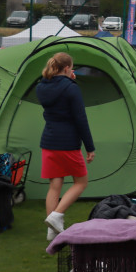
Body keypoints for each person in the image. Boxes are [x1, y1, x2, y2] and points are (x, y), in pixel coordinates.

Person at [36, 52, 95, 242]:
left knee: (55, 186)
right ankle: (56, 216)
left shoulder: (41, 86)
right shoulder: (71, 88)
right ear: (68, 68)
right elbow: (80, 119)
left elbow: (52, 86)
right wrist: (90, 146)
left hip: (49, 141)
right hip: (68, 143)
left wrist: (70, 81)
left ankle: (52, 232)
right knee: (81, 183)